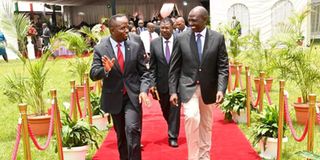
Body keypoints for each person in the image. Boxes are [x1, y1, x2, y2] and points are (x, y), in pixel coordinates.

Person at [169, 6, 229, 160]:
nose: (190, 23)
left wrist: (221, 89)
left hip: (209, 89)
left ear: (205, 20)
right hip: (188, 87)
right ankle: (193, 157)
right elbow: (174, 68)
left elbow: (223, 67)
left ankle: (204, 156)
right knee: (192, 117)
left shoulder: (217, 38)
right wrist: (173, 91)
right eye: (189, 20)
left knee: (206, 124)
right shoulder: (181, 38)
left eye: (194, 20)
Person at [89, 14, 151, 160]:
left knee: (133, 130)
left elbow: (144, 73)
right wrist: (105, 70)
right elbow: (93, 74)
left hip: (133, 96)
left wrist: (143, 91)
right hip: (114, 98)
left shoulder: (135, 46)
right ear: (112, 30)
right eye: (122, 28)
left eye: (127, 27)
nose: (127, 30)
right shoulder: (100, 48)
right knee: (122, 136)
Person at [149, 17, 180, 147]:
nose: (164, 30)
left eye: (167, 28)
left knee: (174, 110)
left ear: (173, 28)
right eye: (162, 28)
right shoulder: (155, 43)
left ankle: (173, 136)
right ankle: (172, 126)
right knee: (165, 110)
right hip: (161, 84)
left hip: (178, 84)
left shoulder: (179, 41)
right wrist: (152, 84)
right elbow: (152, 66)